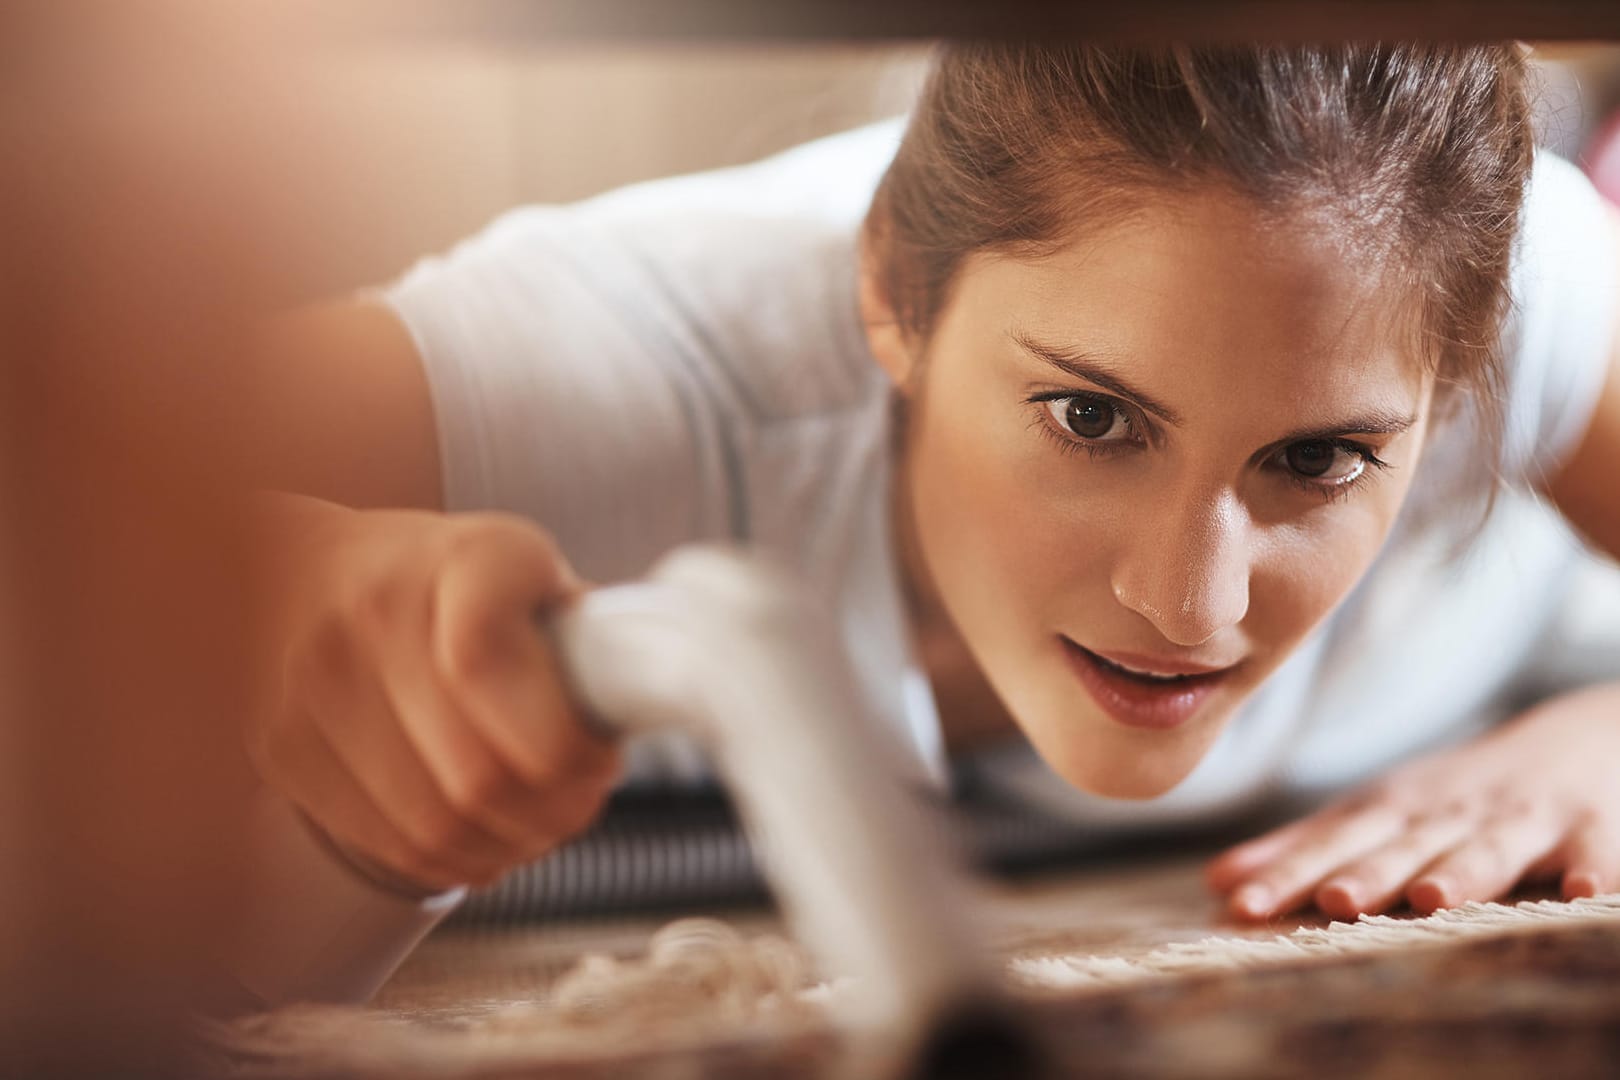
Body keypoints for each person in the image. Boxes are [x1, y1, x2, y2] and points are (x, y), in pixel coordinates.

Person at [235, 42, 1620, 1005]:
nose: (1192, 606)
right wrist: (285, 580)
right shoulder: (615, 368)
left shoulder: (1519, 285)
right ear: (893, 288)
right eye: (1090, 419)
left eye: (1316, 459)